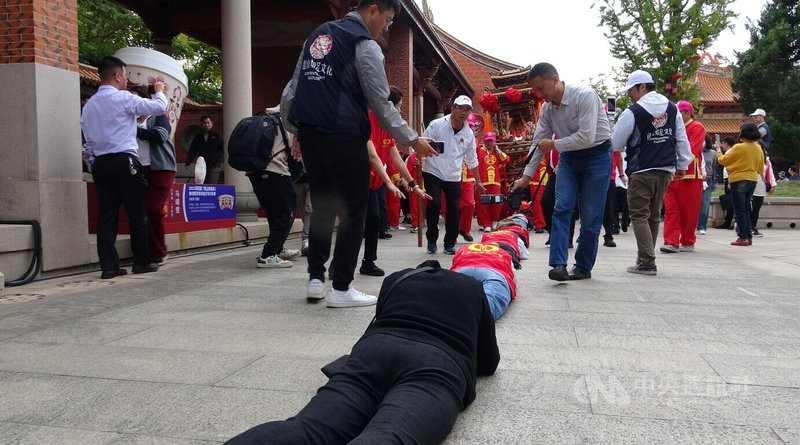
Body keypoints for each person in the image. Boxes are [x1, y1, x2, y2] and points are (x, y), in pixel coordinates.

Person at [225, 261, 499, 445]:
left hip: (373, 353)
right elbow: (488, 362)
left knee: (308, 428)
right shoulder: (471, 288)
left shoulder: (397, 279)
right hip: (435, 364)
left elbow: (376, 324)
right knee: (389, 434)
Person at [280, 0, 437, 307]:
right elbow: (381, 103)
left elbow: (292, 89)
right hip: (344, 135)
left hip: (312, 136)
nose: (386, 27)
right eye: (388, 20)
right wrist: (413, 138)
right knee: (354, 210)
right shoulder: (364, 45)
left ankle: (315, 279)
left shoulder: (318, 34)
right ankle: (341, 287)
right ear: (373, 10)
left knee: (324, 205)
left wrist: (295, 130)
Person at [511, 63, 613, 282]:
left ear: (555, 78)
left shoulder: (584, 96)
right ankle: (558, 263)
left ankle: (583, 266)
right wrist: (526, 176)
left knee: (591, 215)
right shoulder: (547, 109)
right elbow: (538, 142)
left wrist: (554, 145)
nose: (539, 95)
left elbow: (586, 137)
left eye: (541, 88)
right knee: (561, 207)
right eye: (535, 90)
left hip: (597, 155)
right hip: (569, 158)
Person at [81, 56, 167, 279]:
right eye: (125, 75)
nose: (127, 79)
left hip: (100, 163)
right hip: (125, 160)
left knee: (107, 215)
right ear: (117, 76)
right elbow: (159, 107)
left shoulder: (89, 106)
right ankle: (141, 262)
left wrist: (93, 162)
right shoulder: (123, 99)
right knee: (137, 212)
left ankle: (109, 266)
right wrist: (159, 90)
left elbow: (87, 142)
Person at [610, 70, 692, 275]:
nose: (630, 94)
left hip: (641, 169)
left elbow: (615, 143)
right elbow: (681, 139)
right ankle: (644, 257)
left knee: (639, 215)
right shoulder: (673, 109)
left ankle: (647, 261)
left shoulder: (633, 112)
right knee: (654, 216)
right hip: (665, 169)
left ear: (642, 87)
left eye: (631, 90)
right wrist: (682, 164)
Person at [363, 87, 431, 277]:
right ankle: (338, 266)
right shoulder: (367, 118)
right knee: (355, 223)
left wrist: (414, 185)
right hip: (358, 180)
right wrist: (388, 182)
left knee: (374, 219)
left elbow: (396, 158)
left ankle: (368, 262)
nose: (400, 111)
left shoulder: (388, 128)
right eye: (399, 107)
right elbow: (372, 156)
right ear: (388, 106)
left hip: (375, 183)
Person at [422, 95, 485, 255]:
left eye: (467, 109)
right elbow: (422, 143)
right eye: (460, 108)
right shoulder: (436, 124)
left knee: (453, 209)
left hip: (453, 175)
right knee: (434, 204)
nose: (463, 113)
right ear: (453, 108)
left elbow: (472, 160)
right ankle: (431, 238)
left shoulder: (469, 134)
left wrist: (478, 182)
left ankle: (450, 243)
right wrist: (423, 151)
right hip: (432, 170)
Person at [246, 107, 302, 268]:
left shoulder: (266, 119)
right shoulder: (289, 120)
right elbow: (298, 151)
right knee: (287, 213)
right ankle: (268, 254)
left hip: (254, 173)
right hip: (276, 171)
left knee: (274, 213)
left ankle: (277, 249)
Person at [133, 96, 176, 266]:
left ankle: (160, 251)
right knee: (139, 211)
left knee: (153, 209)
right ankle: (145, 251)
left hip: (161, 169)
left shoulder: (158, 117)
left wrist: (134, 130)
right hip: (138, 169)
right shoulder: (131, 120)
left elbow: (161, 135)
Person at [660, 100, 706, 254]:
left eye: (680, 112)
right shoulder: (671, 127)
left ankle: (687, 240)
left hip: (690, 175)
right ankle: (671, 241)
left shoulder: (697, 127)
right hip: (672, 174)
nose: (677, 115)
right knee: (671, 209)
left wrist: (681, 164)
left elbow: (693, 149)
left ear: (688, 113)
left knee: (689, 211)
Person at [715, 123, 765, 246]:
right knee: (746, 209)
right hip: (752, 180)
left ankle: (743, 237)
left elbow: (723, 160)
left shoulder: (739, 147)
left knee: (739, 210)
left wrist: (718, 151)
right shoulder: (758, 148)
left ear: (743, 133)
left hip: (738, 180)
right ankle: (748, 236)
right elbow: (760, 168)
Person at [475, 131, 510, 232]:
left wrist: (499, 151)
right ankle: (486, 225)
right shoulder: (479, 151)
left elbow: (506, 160)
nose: (489, 143)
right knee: (483, 204)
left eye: (491, 141)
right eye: (487, 141)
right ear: (484, 141)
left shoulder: (497, 152)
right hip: (483, 182)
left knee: (497, 202)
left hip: (495, 182)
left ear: (494, 141)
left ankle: (494, 220)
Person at [185, 115, 224, 184]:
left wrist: (218, 160)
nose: (206, 125)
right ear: (201, 124)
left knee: (212, 184)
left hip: (214, 165)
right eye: (204, 123)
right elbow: (193, 150)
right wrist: (188, 162)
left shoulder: (216, 135)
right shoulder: (198, 136)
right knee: (202, 183)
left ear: (212, 123)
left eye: (208, 123)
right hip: (202, 164)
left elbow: (222, 149)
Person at [750, 146, 777, 237]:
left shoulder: (767, 161)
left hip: (760, 187)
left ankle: (753, 227)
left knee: (756, 209)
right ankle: (746, 227)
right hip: (750, 186)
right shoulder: (750, 157)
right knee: (750, 208)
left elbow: (770, 173)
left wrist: (773, 184)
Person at [602, 151, 626, 248]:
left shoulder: (613, 138)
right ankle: (584, 233)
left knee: (609, 207)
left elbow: (619, 157)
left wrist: (621, 174)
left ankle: (608, 235)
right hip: (592, 176)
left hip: (609, 177)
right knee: (589, 206)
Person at [696, 134, 716, 235]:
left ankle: (702, 226)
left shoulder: (712, 153)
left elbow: (714, 168)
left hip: (707, 180)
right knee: (694, 203)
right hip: (696, 178)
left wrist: (714, 182)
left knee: (705, 204)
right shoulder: (695, 151)